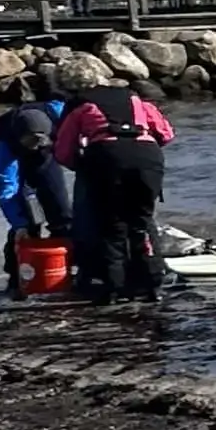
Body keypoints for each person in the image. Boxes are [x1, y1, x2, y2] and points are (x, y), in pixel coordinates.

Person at [53, 80, 177, 300]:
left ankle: (113, 286)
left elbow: (62, 151)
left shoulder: (82, 105)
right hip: (147, 157)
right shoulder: (138, 101)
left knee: (112, 225)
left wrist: (82, 167)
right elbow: (166, 134)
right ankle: (152, 283)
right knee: (142, 222)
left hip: (106, 156)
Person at [0, 79, 69, 287]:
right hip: (7, 157)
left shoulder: (59, 112)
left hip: (45, 155)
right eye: (30, 142)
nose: (34, 146)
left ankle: (68, 268)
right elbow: (7, 189)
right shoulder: (2, 145)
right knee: (29, 219)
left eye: (38, 142)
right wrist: (18, 225)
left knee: (62, 213)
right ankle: (17, 275)